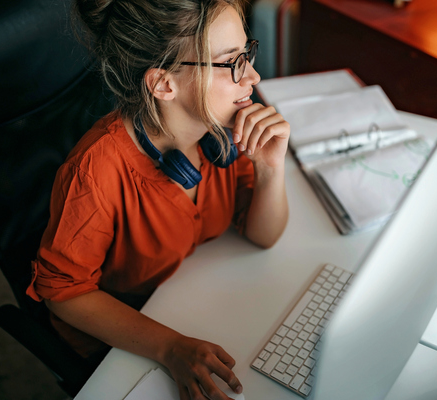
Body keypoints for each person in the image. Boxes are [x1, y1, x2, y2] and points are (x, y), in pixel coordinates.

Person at [26, 0, 290, 398]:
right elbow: (62, 294)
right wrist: (170, 346)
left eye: (247, 53)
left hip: (193, 293)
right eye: (231, 62)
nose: (252, 75)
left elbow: (264, 236)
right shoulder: (96, 170)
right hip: (126, 332)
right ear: (164, 84)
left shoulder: (223, 129)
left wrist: (271, 168)